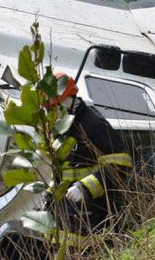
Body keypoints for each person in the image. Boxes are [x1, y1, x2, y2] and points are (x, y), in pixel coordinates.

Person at [55, 73, 134, 235]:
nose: (49, 113)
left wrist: (84, 188)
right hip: (68, 206)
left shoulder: (93, 124)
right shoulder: (64, 125)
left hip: (95, 209)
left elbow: (122, 164)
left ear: (63, 102)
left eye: (52, 108)